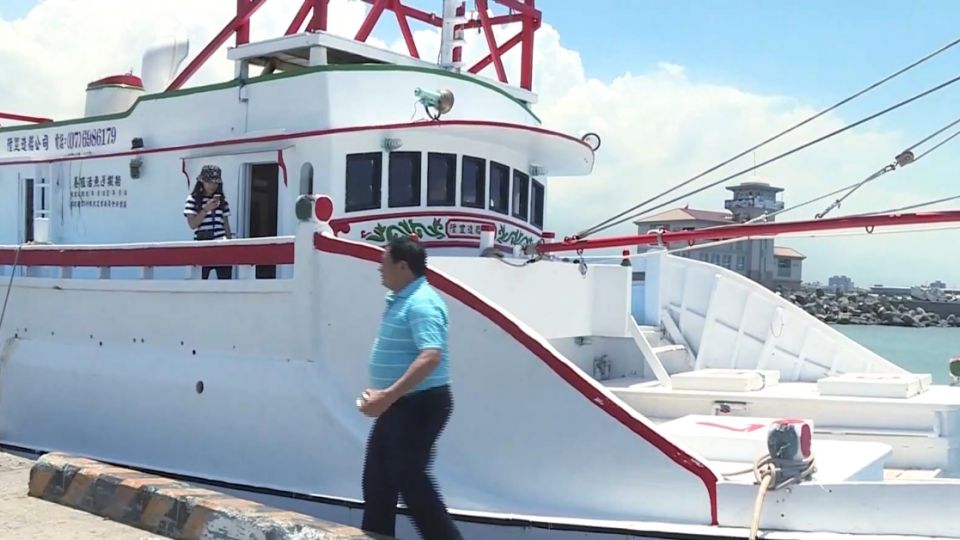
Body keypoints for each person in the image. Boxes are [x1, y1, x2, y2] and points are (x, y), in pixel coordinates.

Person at [357, 235, 463, 540]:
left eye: (384, 262)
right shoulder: (403, 298)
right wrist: (384, 396)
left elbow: (431, 356)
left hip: (420, 404)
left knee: (410, 478)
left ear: (403, 266)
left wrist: (387, 396)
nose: (380, 268)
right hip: (400, 403)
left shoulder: (422, 303)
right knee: (378, 480)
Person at [183, 164, 234, 280]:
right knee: (200, 280)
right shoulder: (193, 200)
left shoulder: (222, 201)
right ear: (202, 181)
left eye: (215, 183)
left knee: (225, 280)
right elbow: (192, 224)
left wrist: (230, 245)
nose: (212, 185)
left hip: (222, 246)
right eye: (209, 182)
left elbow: (226, 225)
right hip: (202, 245)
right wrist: (206, 209)